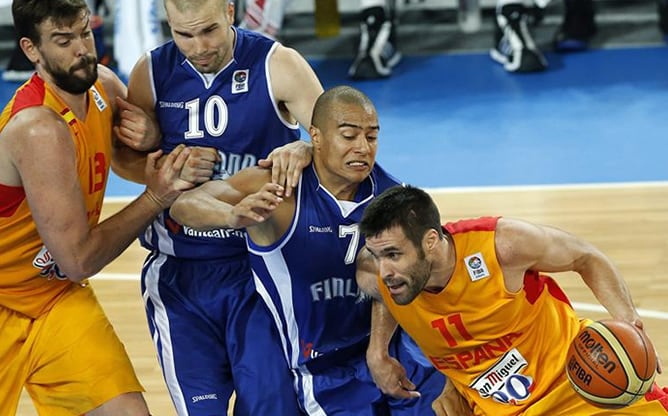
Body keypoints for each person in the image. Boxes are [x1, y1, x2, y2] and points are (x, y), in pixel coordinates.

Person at [170, 86, 446, 415]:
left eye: (372, 137)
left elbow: (398, 282)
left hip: (385, 347)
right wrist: (231, 216)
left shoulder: (392, 196)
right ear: (316, 135)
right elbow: (185, 205)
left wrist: (377, 350)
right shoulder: (279, 188)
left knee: (448, 401)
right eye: (348, 136)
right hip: (318, 367)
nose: (362, 148)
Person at [110, 0, 325, 413]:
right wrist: (168, 169)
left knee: (271, 408)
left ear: (229, 11)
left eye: (208, 30)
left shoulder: (278, 64)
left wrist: (304, 147)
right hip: (181, 274)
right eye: (183, 34)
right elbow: (124, 159)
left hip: (262, 270)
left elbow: (340, 139)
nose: (198, 46)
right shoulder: (151, 72)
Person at [0, 0, 195, 414]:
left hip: (52, 297)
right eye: (63, 40)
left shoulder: (103, 86)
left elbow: (137, 150)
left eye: (84, 33)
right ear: (32, 49)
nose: (82, 50)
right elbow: (79, 259)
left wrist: (151, 132)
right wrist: (156, 198)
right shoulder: (38, 127)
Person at [356, 185, 668, 415]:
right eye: (377, 254)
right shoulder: (375, 272)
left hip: (577, 382)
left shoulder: (502, 246)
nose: (385, 271)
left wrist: (630, 324)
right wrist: (377, 350)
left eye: (394, 255)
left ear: (431, 241)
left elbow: (587, 257)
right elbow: (383, 296)